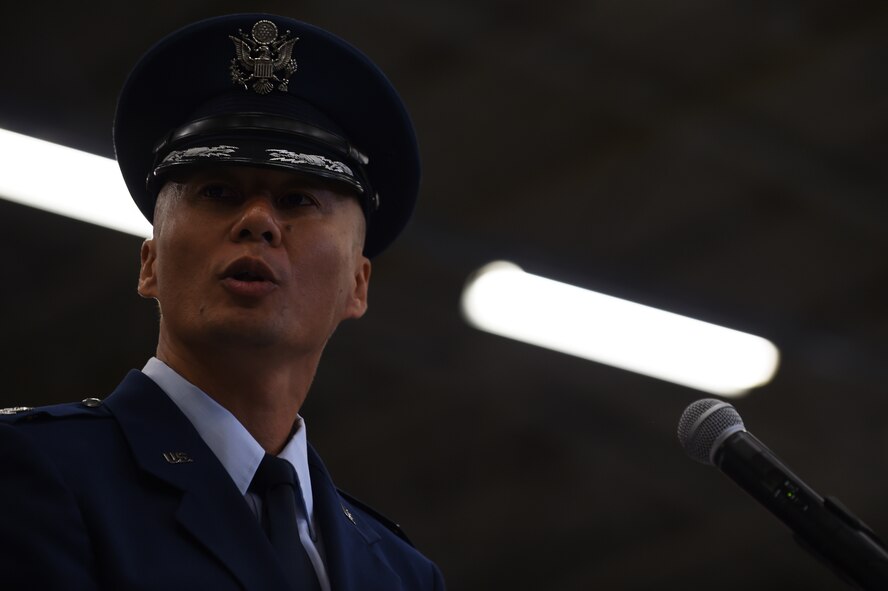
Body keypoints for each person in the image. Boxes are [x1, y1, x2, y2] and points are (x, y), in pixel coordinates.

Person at [0, 13, 445, 590]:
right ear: (151, 262)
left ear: (358, 286)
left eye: (299, 199)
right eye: (217, 192)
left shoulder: (402, 573)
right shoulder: (33, 471)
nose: (257, 220)